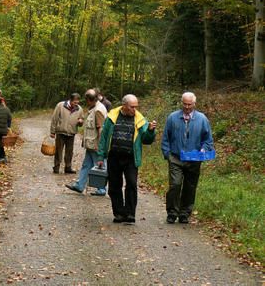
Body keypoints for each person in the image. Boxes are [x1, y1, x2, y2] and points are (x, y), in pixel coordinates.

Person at [97, 94, 156, 223]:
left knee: (131, 184)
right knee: (114, 185)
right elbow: (104, 137)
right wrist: (100, 156)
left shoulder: (140, 119)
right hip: (114, 156)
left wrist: (150, 131)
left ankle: (130, 213)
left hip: (131, 158)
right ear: (124, 106)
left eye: (136, 107)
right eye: (132, 107)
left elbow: (146, 140)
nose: (134, 109)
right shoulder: (112, 117)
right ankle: (119, 213)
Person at [161, 91, 214, 224]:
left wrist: (204, 150)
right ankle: (172, 212)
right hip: (175, 158)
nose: (187, 107)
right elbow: (165, 138)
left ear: (194, 104)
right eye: (184, 104)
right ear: (181, 103)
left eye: (190, 104)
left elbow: (208, 140)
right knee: (175, 185)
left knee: (190, 187)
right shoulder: (172, 117)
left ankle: (184, 213)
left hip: (194, 159)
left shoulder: (202, 119)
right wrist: (167, 154)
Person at [66, 89, 107, 195]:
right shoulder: (94, 108)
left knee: (99, 166)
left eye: (87, 100)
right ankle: (80, 185)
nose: (86, 102)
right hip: (90, 144)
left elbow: (101, 129)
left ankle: (101, 189)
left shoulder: (98, 110)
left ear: (90, 100)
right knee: (86, 165)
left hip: (95, 145)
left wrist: (100, 145)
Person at [50, 93, 84, 174]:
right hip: (61, 132)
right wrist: (52, 131)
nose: (76, 104)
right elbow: (54, 118)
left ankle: (68, 167)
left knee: (69, 151)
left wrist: (81, 122)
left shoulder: (79, 109)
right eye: (75, 102)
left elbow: (81, 120)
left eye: (77, 102)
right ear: (70, 100)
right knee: (58, 150)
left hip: (71, 133)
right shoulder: (60, 105)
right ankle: (56, 167)